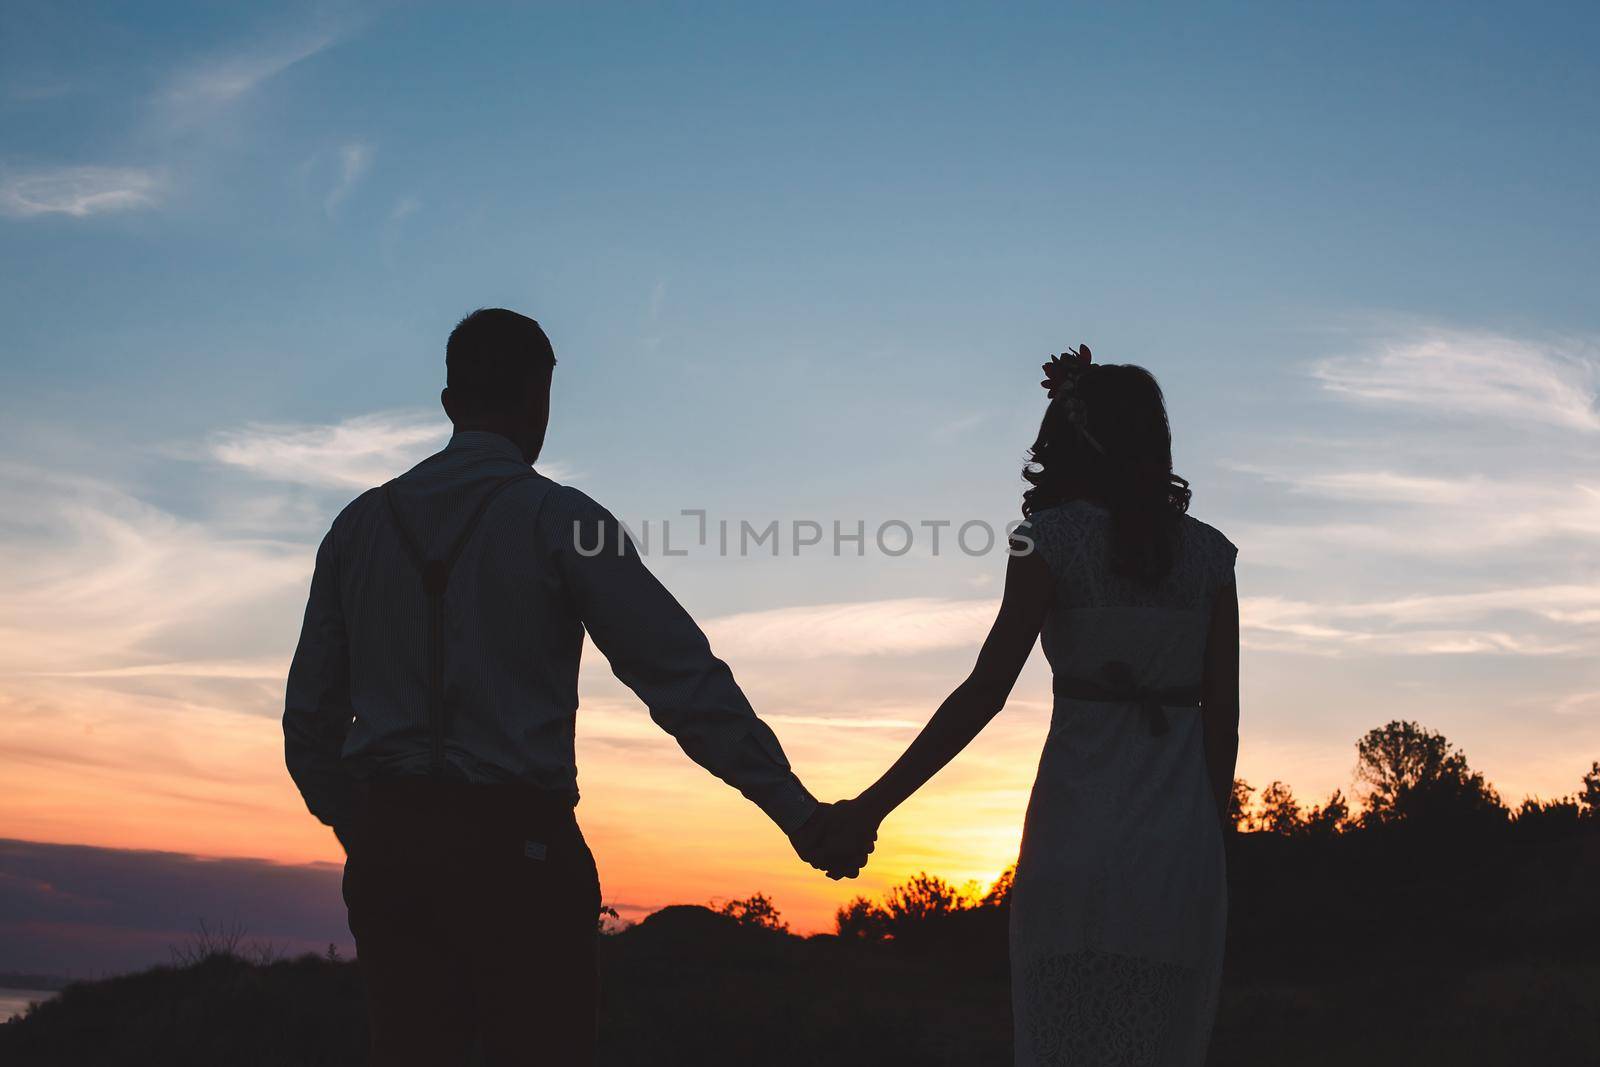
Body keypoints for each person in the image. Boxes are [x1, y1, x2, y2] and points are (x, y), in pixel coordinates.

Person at [283, 308, 869, 1066]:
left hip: (392, 859)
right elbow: (681, 678)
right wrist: (796, 811)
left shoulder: (355, 529)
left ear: (449, 401)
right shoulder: (563, 520)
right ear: (540, 397)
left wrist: (370, 831)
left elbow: (309, 724)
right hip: (520, 859)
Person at [825, 345, 1239, 1066]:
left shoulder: (1047, 541)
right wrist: (1214, 848)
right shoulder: (1211, 557)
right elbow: (1222, 725)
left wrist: (870, 806)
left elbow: (985, 692)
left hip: (1074, 849)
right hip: (1178, 862)